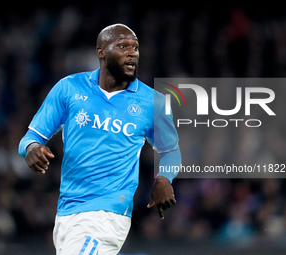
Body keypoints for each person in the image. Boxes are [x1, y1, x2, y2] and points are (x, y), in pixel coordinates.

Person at [19, 23, 181, 255]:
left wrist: (165, 178)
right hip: (66, 213)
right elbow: (29, 138)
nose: (132, 53)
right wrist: (32, 147)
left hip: (107, 214)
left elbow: (171, 151)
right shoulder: (69, 88)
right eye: (123, 46)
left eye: (135, 47)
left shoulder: (153, 102)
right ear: (101, 52)